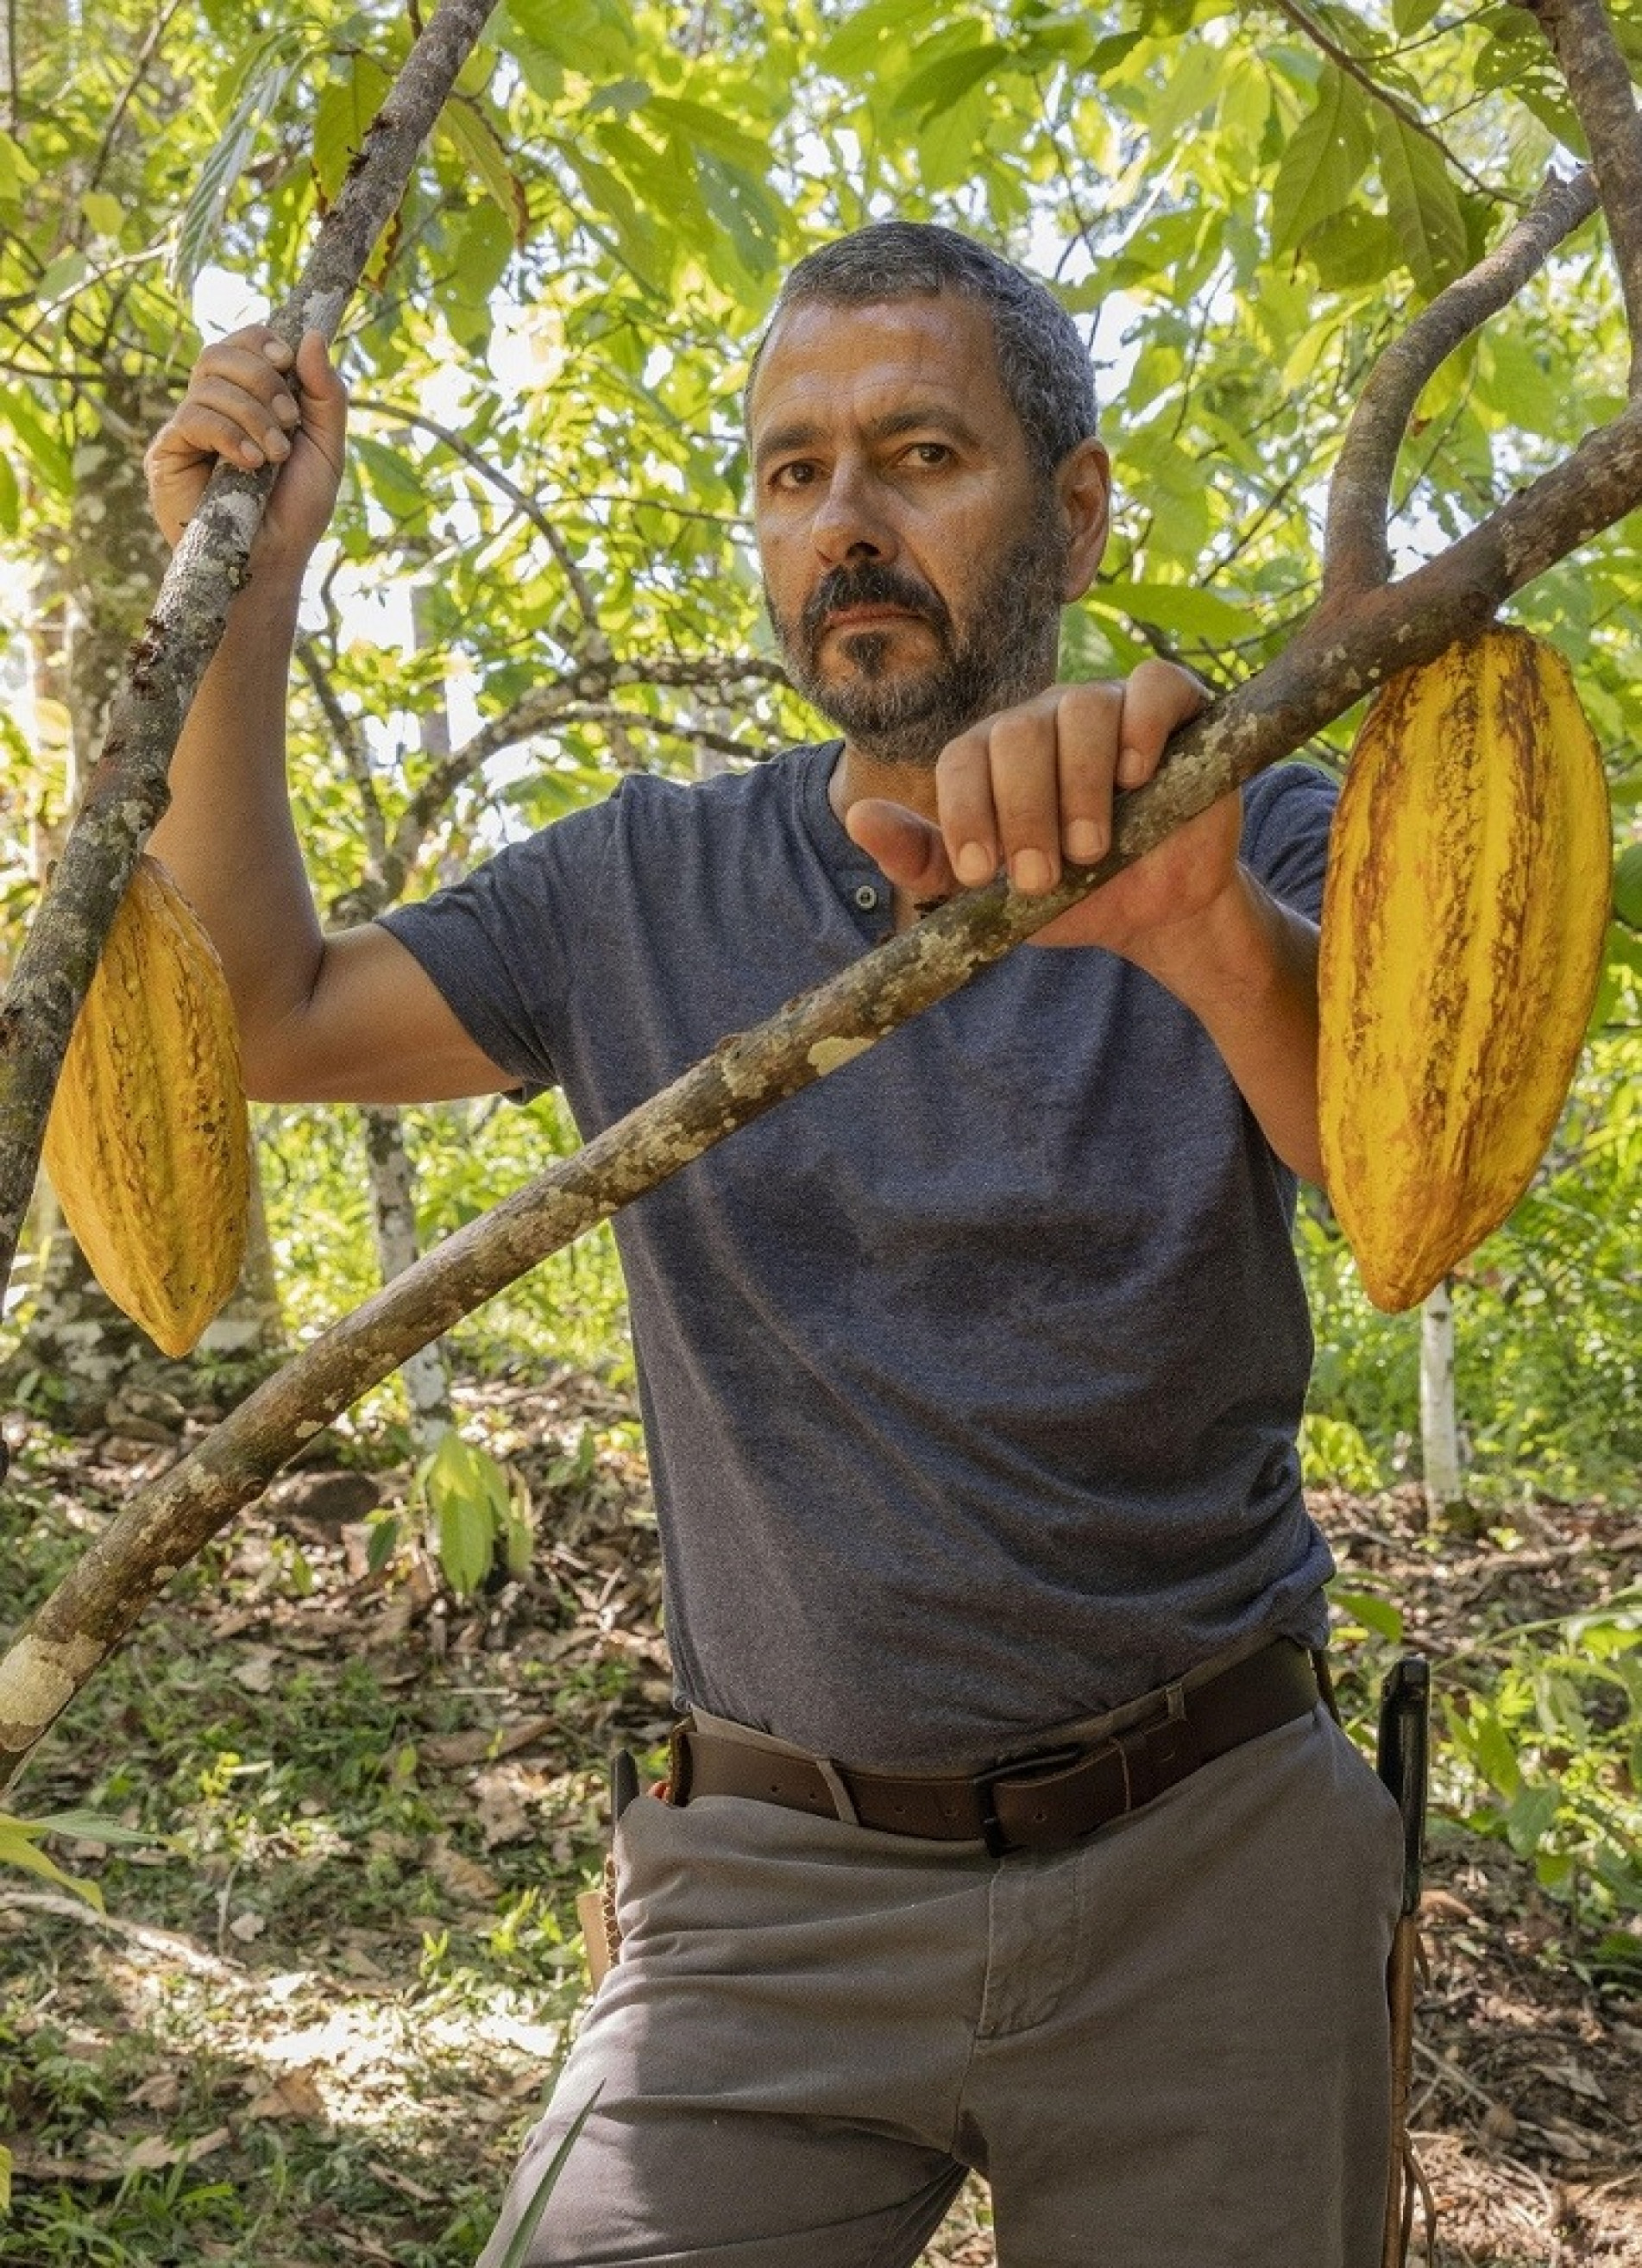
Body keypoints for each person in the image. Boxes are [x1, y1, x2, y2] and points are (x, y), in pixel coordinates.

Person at [146, 221, 1402, 2267]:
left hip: (1214, 1849)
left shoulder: (1246, 825)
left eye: (922, 455)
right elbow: (255, 1022)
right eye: (793, 472)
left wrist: (1192, 928)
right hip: (765, 1886)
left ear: (1078, 513)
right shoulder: (639, 889)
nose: (847, 524)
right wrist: (251, 586)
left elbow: (1411, 1173)